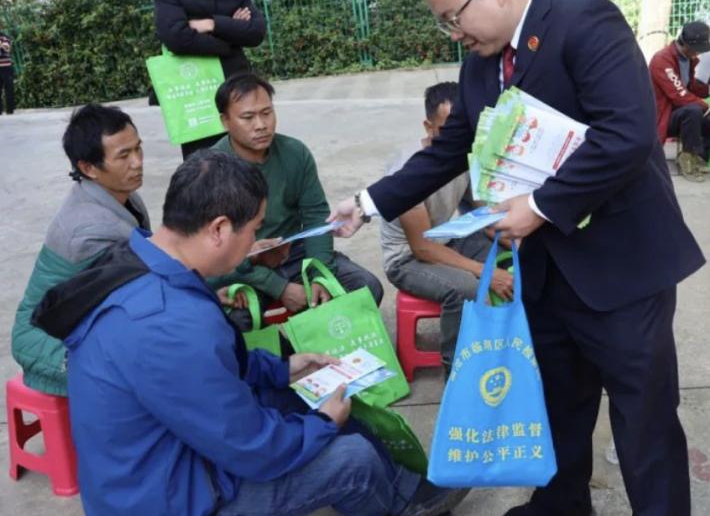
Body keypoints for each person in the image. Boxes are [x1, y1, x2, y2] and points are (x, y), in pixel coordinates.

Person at [329, 0, 705, 516]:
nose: (454, 33)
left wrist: (541, 206)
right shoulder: (479, 69)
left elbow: (626, 134)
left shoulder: (585, 24)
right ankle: (560, 507)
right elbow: (446, 151)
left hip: (620, 270)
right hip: (545, 272)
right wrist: (367, 200)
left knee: (644, 420)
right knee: (560, 405)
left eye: (453, 17)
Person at [32, 150, 468, 516]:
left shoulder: (143, 257)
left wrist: (281, 368)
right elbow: (252, 448)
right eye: (255, 229)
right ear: (219, 228)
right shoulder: (170, 323)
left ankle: (401, 488)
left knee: (300, 393)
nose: (259, 243)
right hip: (164, 498)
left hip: (159, 457)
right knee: (348, 456)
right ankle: (400, 506)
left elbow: (207, 373)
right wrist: (320, 425)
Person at [210, 73, 384, 330]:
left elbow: (316, 217)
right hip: (243, 264)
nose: (261, 124)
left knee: (366, 287)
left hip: (295, 252)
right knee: (232, 320)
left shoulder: (295, 153)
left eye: (267, 113)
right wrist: (279, 288)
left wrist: (318, 274)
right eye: (248, 117)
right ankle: (284, 361)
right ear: (225, 121)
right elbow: (216, 252)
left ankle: (321, 356)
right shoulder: (212, 169)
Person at [11, 104, 149, 395]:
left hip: (84, 320)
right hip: (47, 337)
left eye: (138, 149)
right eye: (124, 156)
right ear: (87, 168)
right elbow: (149, 277)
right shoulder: (89, 230)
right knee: (142, 372)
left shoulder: (125, 198)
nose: (137, 162)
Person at [379, 81, 513, 373]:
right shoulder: (407, 170)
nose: (458, 138)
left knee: (519, 256)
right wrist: (486, 272)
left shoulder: (466, 156)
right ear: (429, 127)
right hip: (407, 258)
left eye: (463, 129)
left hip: (443, 239)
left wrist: (514, 238)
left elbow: (484, 213)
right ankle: (459, 368)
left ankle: (507, 342)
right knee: (465, 287)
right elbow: (421, 248)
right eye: (447, 129)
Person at [154, 0, 266, 158]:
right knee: (204, 172)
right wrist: (230, 40)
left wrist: (211, 24)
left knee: (247, 164)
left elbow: (256, 32)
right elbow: (176, 37)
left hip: (237, 90)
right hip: (196, 93)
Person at [649, 21, 710, 181]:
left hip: (677, 113)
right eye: (699, 50)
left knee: (700, 113)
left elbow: (690, 87)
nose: (699, 54)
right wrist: (705, 105)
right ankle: (686, 158)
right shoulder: (662, 60)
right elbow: (679, 95)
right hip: (662, 117)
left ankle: (700, 157)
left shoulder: (686, 59)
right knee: (693, 110)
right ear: (688, 45)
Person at [0, 30, 15, 115]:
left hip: (6, 67)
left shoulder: (4, 37)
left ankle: (10, 110)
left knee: (9, 89)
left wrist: (1, 45)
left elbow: (7, 49)